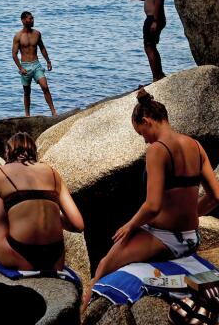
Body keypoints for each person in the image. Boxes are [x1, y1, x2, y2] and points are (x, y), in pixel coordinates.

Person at [84, 88, 219, 308]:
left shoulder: (158, 150)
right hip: (191, 239)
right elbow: (216, 196)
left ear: (147, 121)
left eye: (141, 133)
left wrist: (130, 225)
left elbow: (153, 205)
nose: (145, 141)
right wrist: (191, 215)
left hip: (166, 238)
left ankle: (84, 310)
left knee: (104, 266)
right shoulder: (196, 145)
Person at [0, 132, 84, 270]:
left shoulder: (0, 174)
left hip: (20, 257)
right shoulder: (53, 173)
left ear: (8, 152)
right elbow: (78, 225)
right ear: (34, 152)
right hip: (55, 260)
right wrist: (54, 216)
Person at [126, 0, 167, 82]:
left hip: (153, 18)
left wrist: (155, 21)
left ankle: (157, 76)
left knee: (149, 47)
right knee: (151, 46)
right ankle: (158, 74)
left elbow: (158, 2)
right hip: (153, 18)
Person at [12, 12, 57, 117]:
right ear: (23, 20)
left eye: (32, 18)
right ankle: (27, 115)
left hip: (36, 65)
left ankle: (53, 112)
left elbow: (42, 47)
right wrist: (20, 68)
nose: (32, 20)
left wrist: (48, 61)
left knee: (45, 87)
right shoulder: (18, 36)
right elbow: (14, 54)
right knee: (27, 92)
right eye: (30, 19)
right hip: (25, 67)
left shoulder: (37, 33)